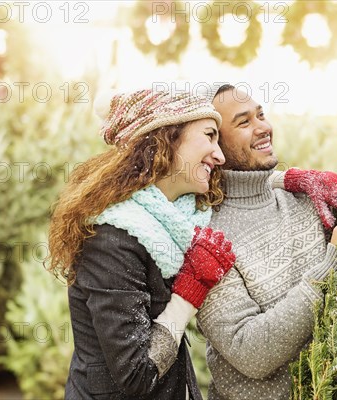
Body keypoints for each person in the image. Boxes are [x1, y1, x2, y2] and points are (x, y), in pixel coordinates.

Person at [46, 88, 237, 399]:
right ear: (168, 138)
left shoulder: (182, 218)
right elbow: (137, 374)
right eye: (210, 135)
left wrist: (292, 180)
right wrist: (189, 293)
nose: (220, 155)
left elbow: (248, 185)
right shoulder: (111, 238)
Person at [196, 84, 337, 400]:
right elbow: (249, 351)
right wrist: (332, 267)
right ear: (214, 146)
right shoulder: (207, 239)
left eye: (261, 114)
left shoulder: (303, 197)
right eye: (244, 122)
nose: (263, 128)